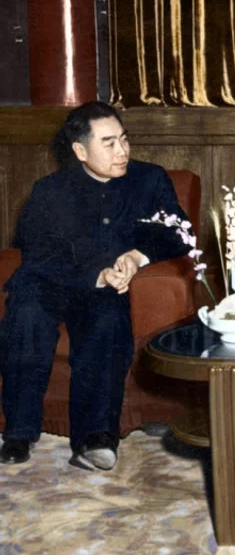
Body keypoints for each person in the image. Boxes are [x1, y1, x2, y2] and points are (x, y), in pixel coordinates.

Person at [0, 102, 190, 469]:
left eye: (123, 139)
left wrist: (137, 257)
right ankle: (18, 432)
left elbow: (179, 233)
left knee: (108, 320)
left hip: (107, 290)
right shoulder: (49, 190)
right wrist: (94, 274)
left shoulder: (150, 180)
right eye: (109, 143)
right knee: (27, 315)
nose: (122, 151)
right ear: (80, 151)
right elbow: (37, 253)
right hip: (51, 283)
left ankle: (96, 438)